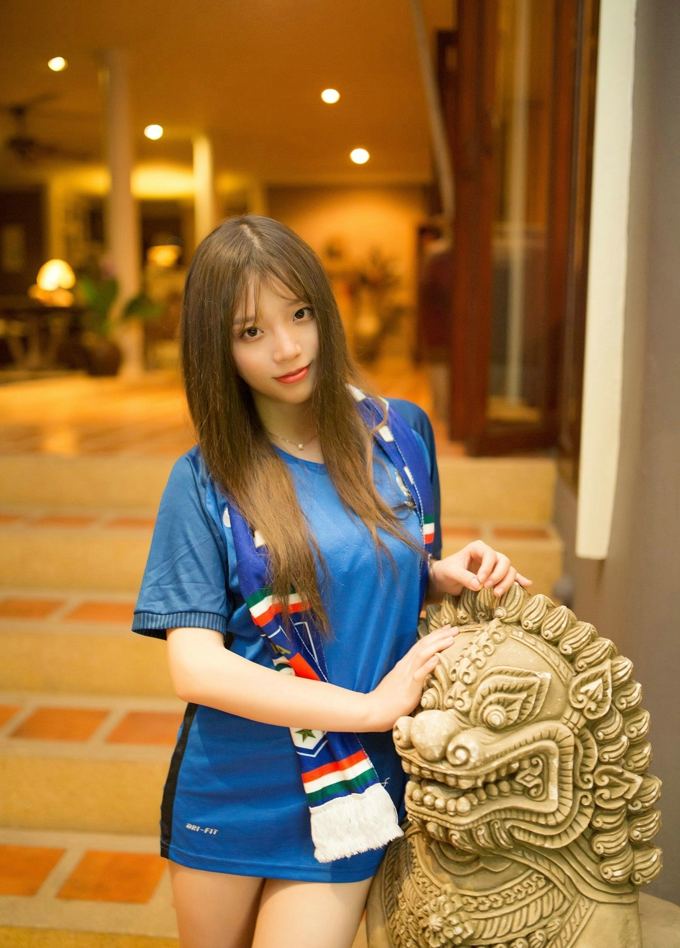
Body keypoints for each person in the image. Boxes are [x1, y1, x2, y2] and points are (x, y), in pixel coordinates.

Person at [132, 215, 531, 948]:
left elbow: (362, 572)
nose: (287, 348)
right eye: (251, 331)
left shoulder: (399, 435)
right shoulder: (203, 479)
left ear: (324, 309)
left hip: (355, 787)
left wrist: (434, 575)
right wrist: (372, 707)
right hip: (234, 785)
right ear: (217, 348)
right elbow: (195, 668)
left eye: (299, 314)